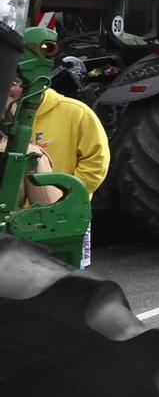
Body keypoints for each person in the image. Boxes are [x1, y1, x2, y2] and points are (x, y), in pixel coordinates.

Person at [8, 30, 110, 266]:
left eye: (14, 84)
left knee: (69, 275)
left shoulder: (75, 112)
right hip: (18, 218)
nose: (9, 90)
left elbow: (96, 162)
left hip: (64, 215)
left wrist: (69, 196)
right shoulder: (7, 117)